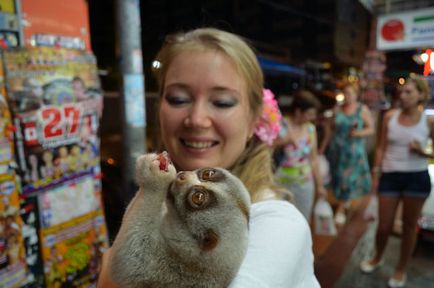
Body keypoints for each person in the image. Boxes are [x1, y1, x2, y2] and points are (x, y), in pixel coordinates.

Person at [97, 27, 320, 287]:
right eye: (178, 99)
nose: (197, 120)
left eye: (223, 102)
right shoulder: (162, 198)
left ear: (253, 119)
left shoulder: (278, 224)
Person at [360, 76, 433, 288]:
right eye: (402, 92)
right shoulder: (390, 116)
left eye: (409, 92)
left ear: (421, 94)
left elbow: (433, 151)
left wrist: (422, 151)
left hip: (416, 178)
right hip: (390, 177)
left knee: (410, 227)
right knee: (383, 226)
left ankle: (401, 268)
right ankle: (377, 257)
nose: (403, 95)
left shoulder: (428, 121)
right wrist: (376, 171)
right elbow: (381, 146)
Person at [273, 90, 327, 221]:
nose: (312, 117)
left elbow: (313, 159)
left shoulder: (310, 129)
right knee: (279, 220)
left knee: (302, 220)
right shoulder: (281, 125)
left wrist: (320, 185)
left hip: (304, 184)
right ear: (298, 111)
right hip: (280, 184)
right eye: (309, 113)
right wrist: (284, 141)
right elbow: (265, 149)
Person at [326, 83, 374, 224]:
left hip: (352, 151)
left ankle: (341, 208)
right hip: (337, 150)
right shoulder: (338, 109)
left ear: (356, 95)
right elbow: (331, 129)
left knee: (347, 180)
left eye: (350, 93)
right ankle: (342, 201)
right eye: (345, 93)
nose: (347, 96)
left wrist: (358, 133)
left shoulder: (362, 109)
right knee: (337, 178)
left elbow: (371, 129)